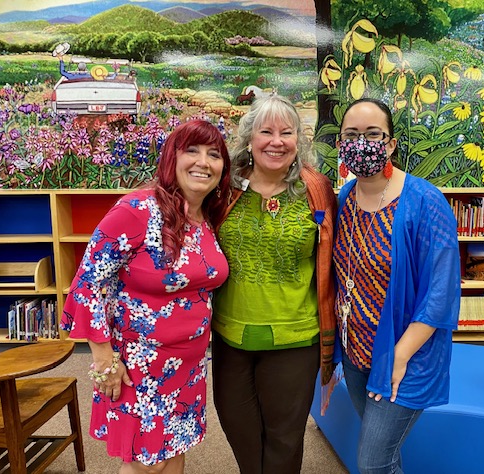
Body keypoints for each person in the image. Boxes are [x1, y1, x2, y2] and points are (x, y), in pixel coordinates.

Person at [61, 119, 231, 474]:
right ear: (172, 158)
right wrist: (104, 361)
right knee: (146, 465)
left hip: (189, 366)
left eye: (214, 154)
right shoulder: (137, 210)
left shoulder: (208, 216)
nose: (203, 161)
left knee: (173, 452)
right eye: (192, 151)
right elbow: (86, 283)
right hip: (140, 365)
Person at [333, 98, 461, 474]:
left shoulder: (424, 201)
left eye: (373, 134)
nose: (362, 143)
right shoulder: (345, 199)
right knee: (386, 455)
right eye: (351, 135)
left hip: (406, 359)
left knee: (372, 462)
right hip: (356, 355)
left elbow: (441, 292)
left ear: (389, 143)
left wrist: (399, 356)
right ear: (341, 143)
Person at [211, 94, 337, 474]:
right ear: (249, 138)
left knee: (284, 438)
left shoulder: (316, 188)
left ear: (299, 140)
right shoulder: (224, 188)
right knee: (239, 430)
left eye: (287, 132)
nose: (276, 141)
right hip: (231, 334)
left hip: (295, 336)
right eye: (266, 131)